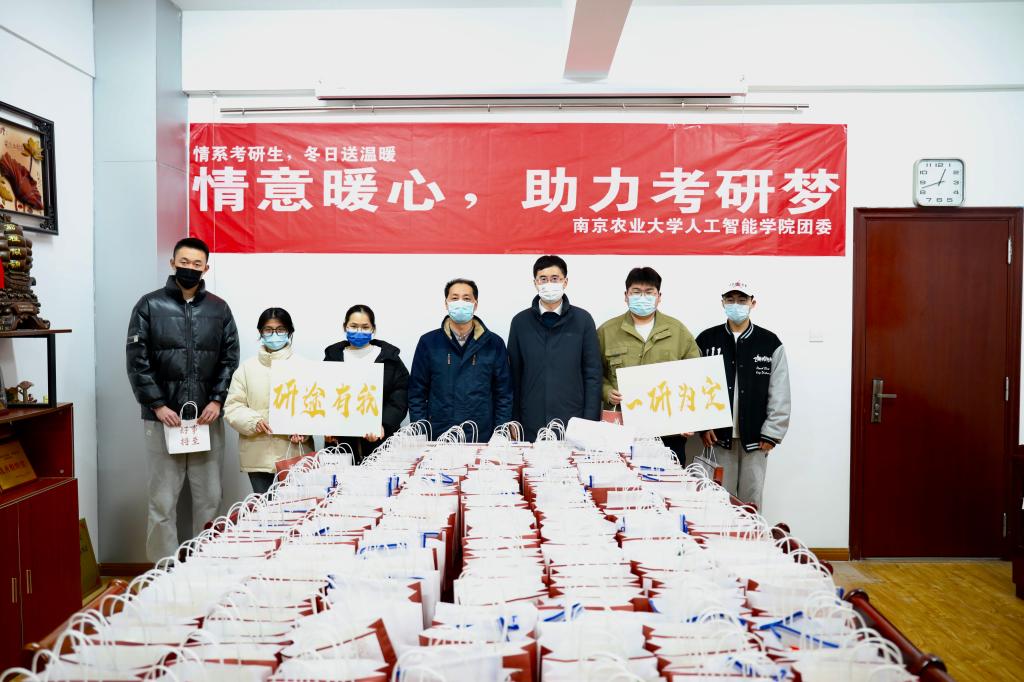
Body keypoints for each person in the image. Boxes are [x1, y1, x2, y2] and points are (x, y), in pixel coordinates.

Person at [126, 237, 239, 562]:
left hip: (206, 419)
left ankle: (204, 565)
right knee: (162, 502)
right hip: (164, 420)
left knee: (210, 500)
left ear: (206, 268)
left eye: (196, 264)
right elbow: (137, 360)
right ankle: (163, 572)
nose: (190, 268)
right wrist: (158, 405)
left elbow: (229, 358)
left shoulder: (219, 308)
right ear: (173, 263)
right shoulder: (149, 305)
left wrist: (216, 401)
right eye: (184, 262)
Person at [696, 280, 791, 511]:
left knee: (750, 505)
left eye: (742, 300)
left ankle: (751, 536)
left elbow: (780, 391)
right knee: (717, 504)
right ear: (723, 303)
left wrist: (772, 433)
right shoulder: (706, 340)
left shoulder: (770, 343)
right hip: (718, 440)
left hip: (756, 441)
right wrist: (703, 426)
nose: (736, 305)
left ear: (752, 303)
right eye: (730, 300)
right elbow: (694, 386)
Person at [596, 266, 700, 457]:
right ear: (626, 295)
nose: (642, 297)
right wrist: (607, 392)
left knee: (669, 476)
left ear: (659, 296)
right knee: (620, 475)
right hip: (621, 427)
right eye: (636, 292)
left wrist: (688, 419)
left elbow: (695, 377)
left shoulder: (678, 331)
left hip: (668, 429)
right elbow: (593, 373)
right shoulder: (606, 332)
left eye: (649, 292)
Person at [507, 255, 602, 440]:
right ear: (535, 283)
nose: (549, 284)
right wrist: (514, 421)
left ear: (565, 282)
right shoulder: (520, 322)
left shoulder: (583, 320)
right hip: (531, 421)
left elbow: (592, 375)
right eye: (543, 279)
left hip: (573, 420)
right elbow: (514, 376)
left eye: (555, 278)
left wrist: (590, 422)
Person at [408, 278, 512, 441]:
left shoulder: (494, 343)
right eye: (455, 298)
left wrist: (501, 433)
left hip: (481, 434)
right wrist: (420, 432)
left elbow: (504, 393)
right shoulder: (429, 343)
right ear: (446, 303)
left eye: (467, 298)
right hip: (439, 434)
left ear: (475, 304)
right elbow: (416, 393)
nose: (460, 303)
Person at [224, 308, 311, 494]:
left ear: (290, 332)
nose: (274, 335)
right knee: (264, 509)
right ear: (260, 332)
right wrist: (253, 421)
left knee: (297, 507)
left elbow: (315, 408)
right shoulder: (246, 369)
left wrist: (304, 430)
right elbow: (232, 407)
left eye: (280, 330)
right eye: (268, 330)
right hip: (258, 455)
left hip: (294, 453)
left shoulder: (304, 367)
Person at [323, 304, 410, 463]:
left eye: (365, 327)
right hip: (341, 444)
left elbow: (400, 396)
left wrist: (383, 424)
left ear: (373, 329)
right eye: (353, 326)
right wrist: (326, 426)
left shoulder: (389, 358)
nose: (359, 331)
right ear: (345, 327)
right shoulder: (333, 357)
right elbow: (323, 394)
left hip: (380, 442)